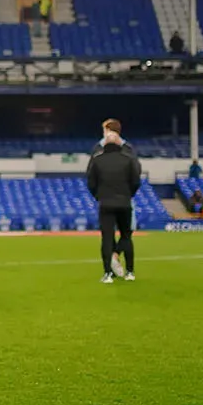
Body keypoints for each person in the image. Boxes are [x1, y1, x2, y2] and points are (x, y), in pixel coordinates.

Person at [86, 118, 141, 284]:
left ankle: (109, 268)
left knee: (108, 236)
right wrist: (128, 194)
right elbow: (135, 178)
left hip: (107, 200)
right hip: (124, 199)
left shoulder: (98, 153)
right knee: (127, 234)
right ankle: (129, 270)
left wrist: (99, 195)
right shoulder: (128, 153)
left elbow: (91, 180)